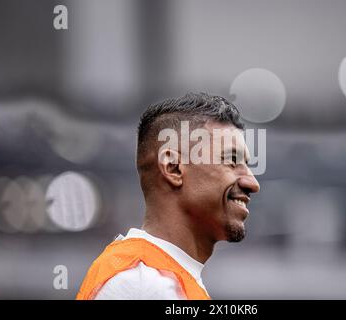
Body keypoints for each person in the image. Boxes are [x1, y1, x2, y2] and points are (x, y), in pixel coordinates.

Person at [76, 92, 260, 300]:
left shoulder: (158, 277)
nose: (253, 183)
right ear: (173, 168)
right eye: (231, 160)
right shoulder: (143, 284)